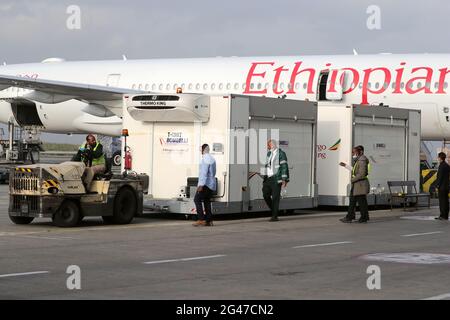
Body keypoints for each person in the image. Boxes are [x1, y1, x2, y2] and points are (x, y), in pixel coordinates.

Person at [339, 145, 370, 223]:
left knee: (360, 201)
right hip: (358, 184)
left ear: (361, 152)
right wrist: (345, 165)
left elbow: (361, 174)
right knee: (354, 200)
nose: (353, 153)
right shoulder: (359, 160)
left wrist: (352, 179)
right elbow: (355, 171)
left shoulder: (362, 161)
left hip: (360, 184)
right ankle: (354, 216)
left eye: (355, 152)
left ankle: (359, 217)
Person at [262, 139, 289, 222]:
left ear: (274, 145)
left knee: (275, 198)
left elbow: (284, 166)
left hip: (276, 178)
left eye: (270, 144)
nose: (269, 146)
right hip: (268, 178)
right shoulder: (269, 153)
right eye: (268, 145)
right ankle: (274, 210)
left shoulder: (281, 153)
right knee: (265, 194)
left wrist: (284, 179)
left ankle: (274, 216)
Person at [193, 144, 217, 227]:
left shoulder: (205, 159)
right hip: (211, 184)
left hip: (205, 184)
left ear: (203, 150)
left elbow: (204, 172)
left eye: (201, 150)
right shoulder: (212, 159)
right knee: (207, 201)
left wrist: (201, 185)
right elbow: (213, 172)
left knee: (197, 199)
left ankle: (201, 219)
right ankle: (209, 221)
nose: (200, 151)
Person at [435, 152, 449, 220]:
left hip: (442, 187)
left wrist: (437, 185)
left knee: (442, 202)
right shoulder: (447, 165)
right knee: (446, 201)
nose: (438, 158)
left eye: (438, 157)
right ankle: (445, 215)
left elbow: (439, 177)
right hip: (446, 186)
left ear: (440, 158)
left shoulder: (441, 165)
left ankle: (442, 215)